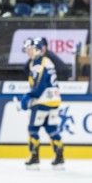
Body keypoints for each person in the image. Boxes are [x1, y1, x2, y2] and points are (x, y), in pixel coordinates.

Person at [20, 38, 64, 170]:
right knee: (52, 129)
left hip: (42, 101)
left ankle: (34, 158)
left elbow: (39, 85)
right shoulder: (48, 61)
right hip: (54, 100)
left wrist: (29, 97)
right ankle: (59, 158)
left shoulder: (38, 63)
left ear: (37, 49)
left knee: (33, 129)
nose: (28, 52)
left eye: (30, 49)